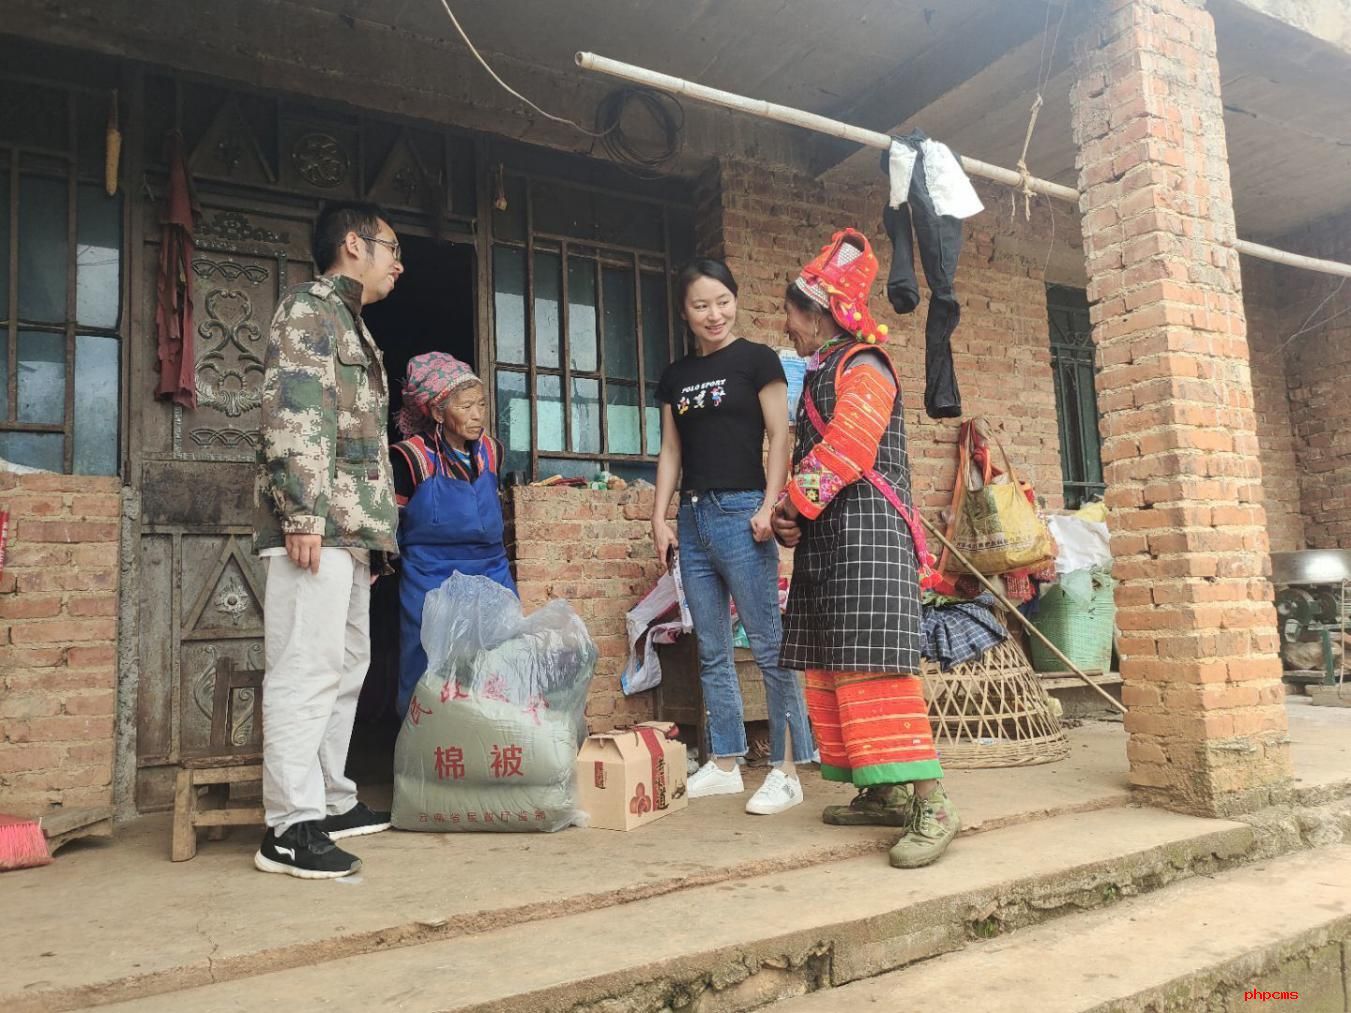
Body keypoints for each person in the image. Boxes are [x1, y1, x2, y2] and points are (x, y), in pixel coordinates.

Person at [771, 227, 959, 868]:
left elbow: (849, 447)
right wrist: (795, 518)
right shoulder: (820, 371)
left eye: (791, 314)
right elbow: (817, 458)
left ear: (818, 312)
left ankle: (933, 804)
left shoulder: (865, 365)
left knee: (873, 666)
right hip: (833, 540)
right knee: (834, 662)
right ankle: (884, 791)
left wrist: (792, 504)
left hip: (870, 540)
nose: (787, 327)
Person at [253, 201, 403, 879]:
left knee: (344, 667)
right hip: (315, 525)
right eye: (391, 248)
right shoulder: (308, 310)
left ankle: (331, 799)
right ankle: (289, 827)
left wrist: (370, 538)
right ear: (353, 244)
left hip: (349, 529)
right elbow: (296, 412)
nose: (398, 264)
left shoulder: (350, 321)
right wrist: (301, 514)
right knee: (305, 669)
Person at [652, 258, 816, 815]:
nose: (714, 314)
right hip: (694, 517)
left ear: (735, 300)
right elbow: (671, 450)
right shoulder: (676, 376)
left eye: (722, 301)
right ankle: (725, 762)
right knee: (712, 648)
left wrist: (771, 504)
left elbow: (780, 436)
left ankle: (786, 770)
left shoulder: (757, 360)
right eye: (701, 305)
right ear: (684, 312)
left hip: (744, 512)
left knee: (769, 646)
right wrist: (659, 516)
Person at [390, 352, 515, 717]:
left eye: (481, 405)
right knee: (429, 665)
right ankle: (424, 741)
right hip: (430, 577)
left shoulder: (492, 451)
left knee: (498, 660)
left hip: (491, 572)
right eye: (466, 407)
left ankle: (490, 739)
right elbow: (391, 522)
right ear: (438, 412)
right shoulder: (411, 458)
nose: (478, 415)